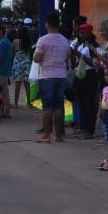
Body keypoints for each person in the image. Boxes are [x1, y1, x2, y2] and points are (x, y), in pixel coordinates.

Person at [34, 12, 70, 142]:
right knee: (59, 106)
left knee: (47, 107)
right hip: (61, 76)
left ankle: (47, 135)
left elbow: (37, 58)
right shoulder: (65, 40)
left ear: (47, 24)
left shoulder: (43, 40)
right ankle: (58, 135)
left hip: (47, 76)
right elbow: (67, 59)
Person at [0, 24, 14, 119]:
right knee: (5, 92)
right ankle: (7, 111)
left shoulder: (2, 43)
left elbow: (0, 58)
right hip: (6, 70)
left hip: (0, 71)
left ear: (1, 32)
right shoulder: (8, 42)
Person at [11, 22, 32, 108]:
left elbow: (12, 52)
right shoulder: (28, 42)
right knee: (27, 84)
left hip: (17, 63)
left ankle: (16, 103)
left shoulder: (15, 41)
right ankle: (29, 103)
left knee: (17, 84)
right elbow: (30, 53)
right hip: (26, 62)